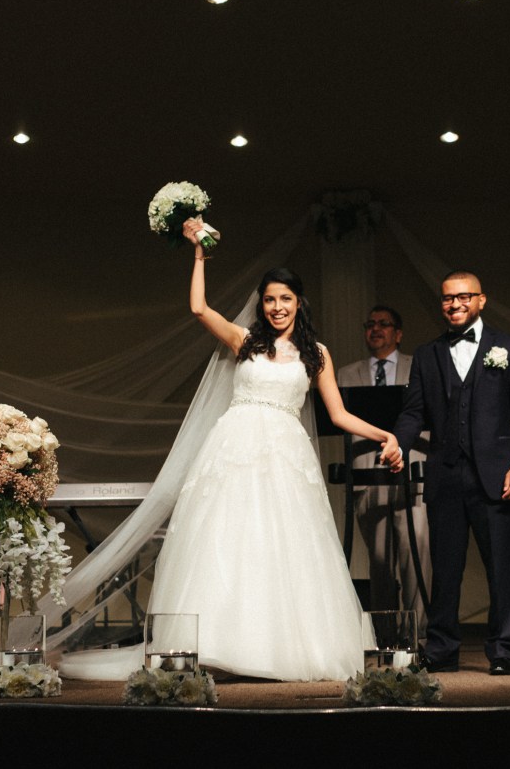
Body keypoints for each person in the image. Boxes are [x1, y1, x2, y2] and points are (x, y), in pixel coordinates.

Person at [140, 219, 404, 681]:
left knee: (284, 545)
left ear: (299, 302)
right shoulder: (246, 342)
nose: (278, 307)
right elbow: (200, 309)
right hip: (235, 447)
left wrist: (385, 435)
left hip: (284, 456)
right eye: (270, 299)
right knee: (226, 540)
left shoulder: (315, 353)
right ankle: (219, 646)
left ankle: (277, 647)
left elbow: (338, 415)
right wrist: (199, 252)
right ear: (260, 305)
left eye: (286, 298)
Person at [381, 270, 510, 676]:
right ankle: (442, 649)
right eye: (448, 299)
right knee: (446, 569)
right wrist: (398, 443)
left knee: (501, 569)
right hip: (446, 476)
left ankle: (503, 650)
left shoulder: (508, 347)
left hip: (497, 476)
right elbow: (414, 412)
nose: (455, 305)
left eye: (464, 297)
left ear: (481, 300)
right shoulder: (428, 354)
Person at [337, 307, 431, 641]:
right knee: (379, 562)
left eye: (383, 324)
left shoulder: (417, 368)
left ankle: (417, 635)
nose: (375, 330)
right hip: (368, 474)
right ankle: (385, 638)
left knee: (415, 554)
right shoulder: (346, 375)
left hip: (411, 473)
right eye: (370, 325)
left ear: (399, 333)